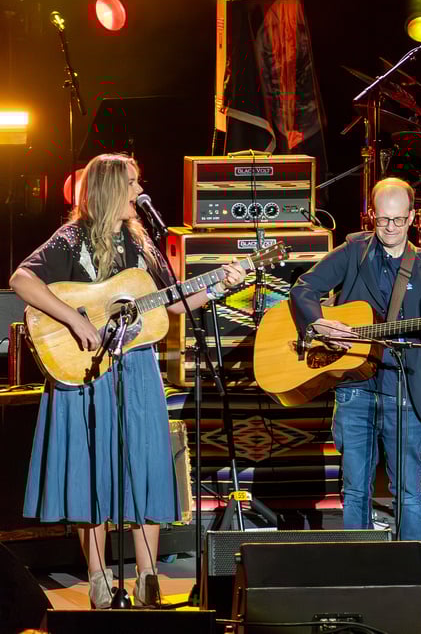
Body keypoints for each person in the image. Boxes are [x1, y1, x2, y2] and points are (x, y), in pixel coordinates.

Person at [10, 153, 246, 609]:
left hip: (138, 369)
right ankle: (98, 576)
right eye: (133, 183)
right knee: (91, 469)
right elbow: (22, 279)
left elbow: (171, 305)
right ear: (109, 188)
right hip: (87, 368)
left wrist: (219, 285)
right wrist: (76, 321)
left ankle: (149, 576)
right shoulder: (71, 238)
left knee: (147, 464)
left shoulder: (143, 243)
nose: (140, 191)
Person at [288, 178, 421, 553]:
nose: (391, 228)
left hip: (405, 388)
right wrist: (318, 324)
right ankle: (355, 568)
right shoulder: (353, 251)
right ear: (371, 217)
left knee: (409, 492)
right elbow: (303, 288)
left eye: (399, 220)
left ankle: (411, 574)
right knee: (355, 488)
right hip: (354, 386)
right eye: (383, 221)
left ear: (413, 217)